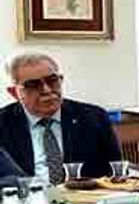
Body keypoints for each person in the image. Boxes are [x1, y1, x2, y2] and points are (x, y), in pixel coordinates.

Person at [0, 52, 122, 183]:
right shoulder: (3, 123)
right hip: (26, 195)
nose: (47, 90)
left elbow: (115, 172)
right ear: (14, 92)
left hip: (86, 194)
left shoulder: (93, 118)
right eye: (33, 85)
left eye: (52, 80)